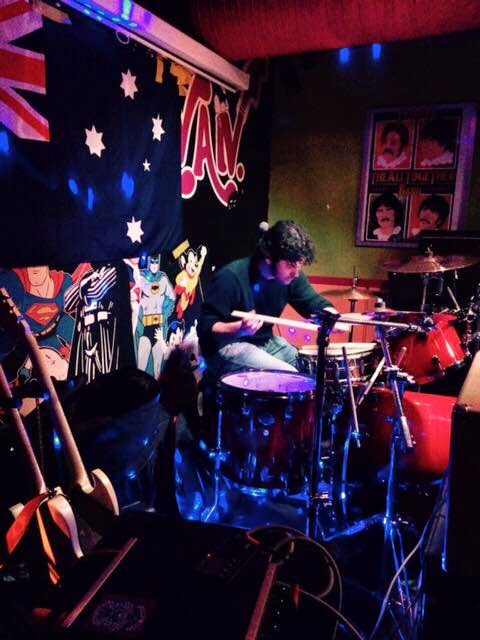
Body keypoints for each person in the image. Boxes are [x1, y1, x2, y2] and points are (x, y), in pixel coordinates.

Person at [198, 220, 340, 379]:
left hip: (265, 342)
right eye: (290, 265)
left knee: (311, 368)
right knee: (291, 377)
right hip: (225, 346)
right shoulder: (230, 277)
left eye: (299, 265)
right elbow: (205, 328)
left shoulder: (290, 278)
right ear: (269, 257)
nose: (296, 273)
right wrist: (239, 328)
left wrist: (331, 316)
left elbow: (312, 302)